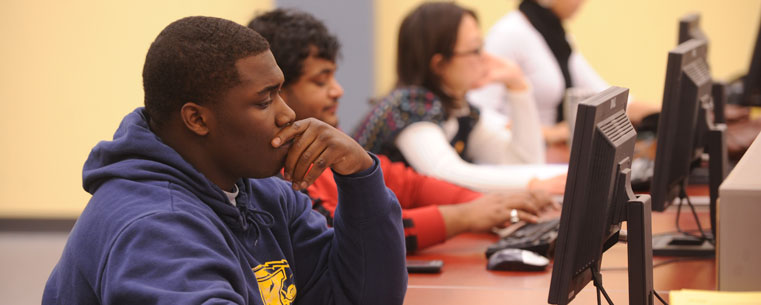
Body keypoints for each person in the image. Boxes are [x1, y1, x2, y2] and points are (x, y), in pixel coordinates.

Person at [43, 16, 406, 305]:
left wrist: (360, 175)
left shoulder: (264, 192)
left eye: (280, 93)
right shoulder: (153, 228)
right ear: (198, 119)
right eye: (264, 101)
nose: (288, 114)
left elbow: (364, 296)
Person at [248, 8, 558, 252]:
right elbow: (337, 229)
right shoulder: (409, 106)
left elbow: (408, 183)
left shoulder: (459, 111)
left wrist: (488, 204)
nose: (338, 91)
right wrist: (472, 212)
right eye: (321, 81)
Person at [351, 2, 566, 193]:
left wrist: (518, 86)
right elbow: (444, 173)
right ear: (440, 65)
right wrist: (532, 183)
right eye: (475, 49)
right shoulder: (408, 105)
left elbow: (523, 162)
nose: (486, 58)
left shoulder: (459, 111)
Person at [468, 0, 657, 143]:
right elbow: (479, 113)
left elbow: (603, 94)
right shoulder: (508, 34)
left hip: (550, 152)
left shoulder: (556, 36)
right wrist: (551, 133)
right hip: (518, 155)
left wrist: (660, 111)